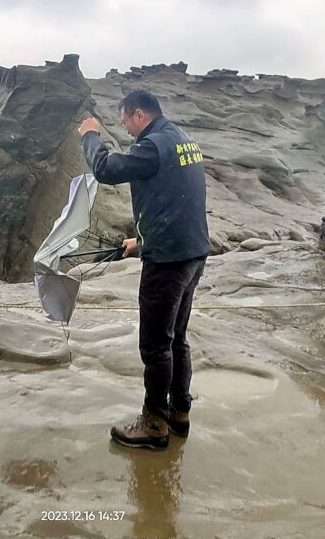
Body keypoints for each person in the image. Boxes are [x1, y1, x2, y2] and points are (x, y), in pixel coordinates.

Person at [77, 90, 209, 450]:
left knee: (155, 345)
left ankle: (153, 423)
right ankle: (179, 413)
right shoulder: (183, 140)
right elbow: (173, 196)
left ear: (139, 114)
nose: (127, 129)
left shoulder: (152, 146)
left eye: (125, 121)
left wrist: (91, 135)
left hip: (169, 260)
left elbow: (106, 170)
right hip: (192, 251)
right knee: (176, 339)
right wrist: (140, 241)